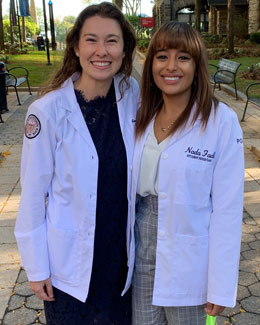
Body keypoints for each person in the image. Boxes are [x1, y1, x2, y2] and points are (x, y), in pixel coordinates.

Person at [14, 2, 139, 324]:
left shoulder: (132, 95)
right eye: (91, 39)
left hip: (121, 262)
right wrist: (37, 267)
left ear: (125, 49)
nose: (102, 50)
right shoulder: (46, 112)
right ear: (75, 46)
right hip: (69, 267)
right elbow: (31, 197)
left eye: (112, 40)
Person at [129, 22, 244, 325]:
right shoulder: (140, 114)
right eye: (162, 56)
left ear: (197, 66)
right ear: (150, 62)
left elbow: (227, 210)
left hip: (190, 263)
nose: (171, 66)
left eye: (183, 57)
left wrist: (220, 284)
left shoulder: (221, 122)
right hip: (140, 256)